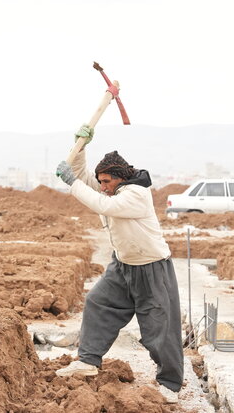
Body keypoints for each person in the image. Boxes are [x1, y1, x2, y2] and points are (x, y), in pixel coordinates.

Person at [54, 125, 183, 403]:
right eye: (100, 182)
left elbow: (105, 206)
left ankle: (169, 384)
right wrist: (81, 144)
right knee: (98, 303)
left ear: (120, 179)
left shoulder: (135, 195)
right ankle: (88, 360)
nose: (102, 187)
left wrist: (73, 185)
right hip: (122, 265)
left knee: (159, 328)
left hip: (151, 268)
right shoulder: (112, 190)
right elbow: (81, 176)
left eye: (106, 182)